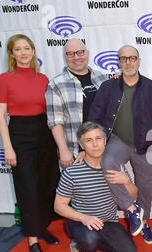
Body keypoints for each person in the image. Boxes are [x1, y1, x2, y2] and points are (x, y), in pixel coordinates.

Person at [88, 45, 152, 244]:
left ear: (139, 61)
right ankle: (132, 210)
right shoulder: (108, 87)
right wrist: (96, 141)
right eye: (123, 59)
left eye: (132, 58)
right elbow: (95, 116)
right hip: (118, 140)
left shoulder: (151, 87)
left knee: (146, 186)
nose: (128, 62)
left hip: (145, 142)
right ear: (119, 62)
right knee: (107, 163)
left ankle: (145, 222)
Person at [0, 34, 61, 252]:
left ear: (33, 51)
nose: (23, 53)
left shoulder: (42, 78)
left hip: (44, 132)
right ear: (11, 54)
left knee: (46, 184)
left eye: (27, 48)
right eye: (18, 49)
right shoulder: (4, 79)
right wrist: (8, 148)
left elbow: (51, 111)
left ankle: (42, 228)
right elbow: (1, 116)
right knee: (28, 188)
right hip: (20, 135)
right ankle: (33, 240)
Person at [54, 122, 137, 252]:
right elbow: (58, 206)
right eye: (89, 140)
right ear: (82, 145)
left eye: (98, 138)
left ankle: (85, 242)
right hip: (81, 222)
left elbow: (133, 196)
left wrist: (127, 182)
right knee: (89, 240)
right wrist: (84, 218)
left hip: (108, 221)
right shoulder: (72, 172)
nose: (95, 144)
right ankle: (87, 248)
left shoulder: (116, 167)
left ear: (105, 141)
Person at [46, 39, 108, 168]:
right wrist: (63, 150)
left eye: (80, 52)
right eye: (71, 54)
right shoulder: (56, 85)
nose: (76, 57)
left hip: (105, 150)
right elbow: (55, 122)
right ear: (65, 57)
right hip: (76, 152)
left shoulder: (102, 78)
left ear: (87, 53)